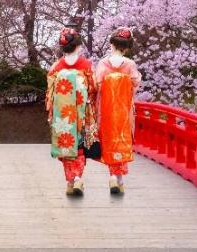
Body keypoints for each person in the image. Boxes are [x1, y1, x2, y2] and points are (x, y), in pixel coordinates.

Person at [46, 27, 97, 196]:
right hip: (80, 112)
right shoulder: (86, 65)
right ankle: (77, 179)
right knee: (80, 145)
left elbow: (50, 93)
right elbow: (93, 88)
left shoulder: (56, 67)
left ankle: (70, 181)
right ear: (78, 46)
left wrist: (52, 112)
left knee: (66, 146)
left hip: (62, 115)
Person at [94, 27, 142, 195]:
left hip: (106, 110)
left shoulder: (103, 64)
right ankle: (117, 177)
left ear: (111, 44)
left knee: (109, 140)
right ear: (127, 47)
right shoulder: (130, 64)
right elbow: (135, 84)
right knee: (122, 138)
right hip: (123, 109)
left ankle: (114, 176)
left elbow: (97, 85)